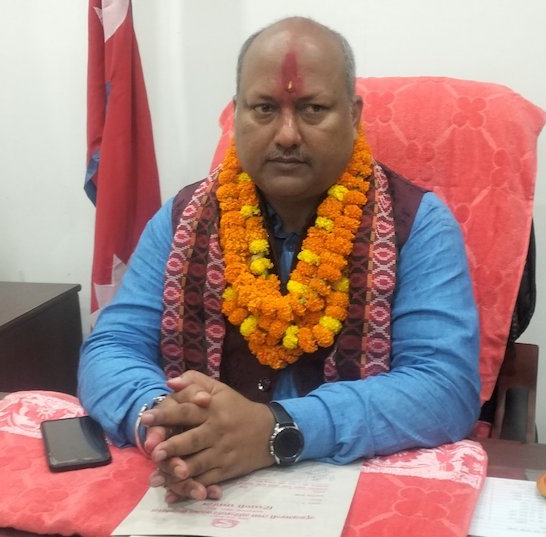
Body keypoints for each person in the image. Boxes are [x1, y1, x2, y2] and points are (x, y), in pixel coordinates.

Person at [78, 16, 480, 503]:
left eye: (312, 109)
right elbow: (111, 347)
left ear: (354, 115)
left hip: (350, 488)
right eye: (265, 108)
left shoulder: (419, 225)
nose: (287, 134)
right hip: (199, 489)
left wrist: (277, 430)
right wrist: (168, 425)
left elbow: (444, 389)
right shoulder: (183, 218)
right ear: (236, 114)